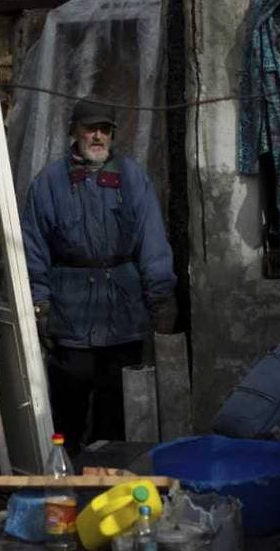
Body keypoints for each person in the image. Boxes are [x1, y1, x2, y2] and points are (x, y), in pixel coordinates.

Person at [20, 97, 176, 453]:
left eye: (104, 129)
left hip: (124, 312)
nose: (97, 136)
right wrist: (40, 302)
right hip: (71, 315)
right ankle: (69, 483)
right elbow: (33, 248)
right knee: (68, 410)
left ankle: (111, 487)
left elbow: (152, 242)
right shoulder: (49, 183)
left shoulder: (132, 178)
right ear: (73, 131)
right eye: (90, 128)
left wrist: (161, 298)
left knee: (116, 414)